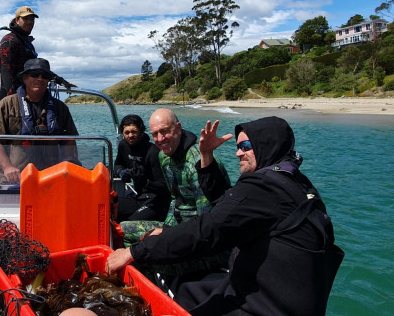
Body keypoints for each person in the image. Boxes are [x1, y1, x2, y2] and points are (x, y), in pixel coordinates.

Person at [106, 116, 344, 315]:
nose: (239, 154)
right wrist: (207, 157)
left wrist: (134, 252)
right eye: (238, 147)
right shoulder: (294, 182)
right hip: (270, 288)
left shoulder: (265, 188)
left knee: (153, 267)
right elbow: (225, 202)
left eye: (247, 147)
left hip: (269, 304)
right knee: (188, 292)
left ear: (267, 145)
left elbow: (207, 228)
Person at [119, 109, 231, 290]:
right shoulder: (165, 157)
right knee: (120, 230)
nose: (160, 139)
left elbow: (207, 223)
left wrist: (166, 235)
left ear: (178, 128)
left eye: (165, 131)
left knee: (144, 257)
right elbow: (174, 199)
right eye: (155, 134)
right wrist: (165, 228)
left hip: (208, 245)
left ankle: (162, 295)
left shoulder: (198, 163)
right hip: (179, 230)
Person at [0, 58, 79, 183]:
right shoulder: (6, 104)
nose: (39, 79)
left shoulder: (60, 108)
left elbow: (69, 141)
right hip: (15, 178)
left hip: (52, 178)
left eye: (44, 76)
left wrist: (69, 165)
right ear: (24, 78)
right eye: (34, 74)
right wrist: (7, 168)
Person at [113, 114, 171, 222]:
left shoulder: (153, 152)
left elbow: (165, 187)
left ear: (141, 131)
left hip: (157, 200)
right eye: (126, 132)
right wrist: (121, 172)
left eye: (134, 131)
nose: (130, 135)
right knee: (109, 208)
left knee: (129, 223)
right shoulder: (123, 146)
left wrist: (145, 182)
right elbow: (117, 165)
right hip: (138, 197)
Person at [0, 6, 39, 101]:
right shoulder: (10, 40)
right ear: (17, 20)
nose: (29, 22)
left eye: (32, 19)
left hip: (28, 96)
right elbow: (6, 73)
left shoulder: (26, 43)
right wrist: (14, 100)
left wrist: (57, 79)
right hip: (12, 100)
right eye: (25, 18)